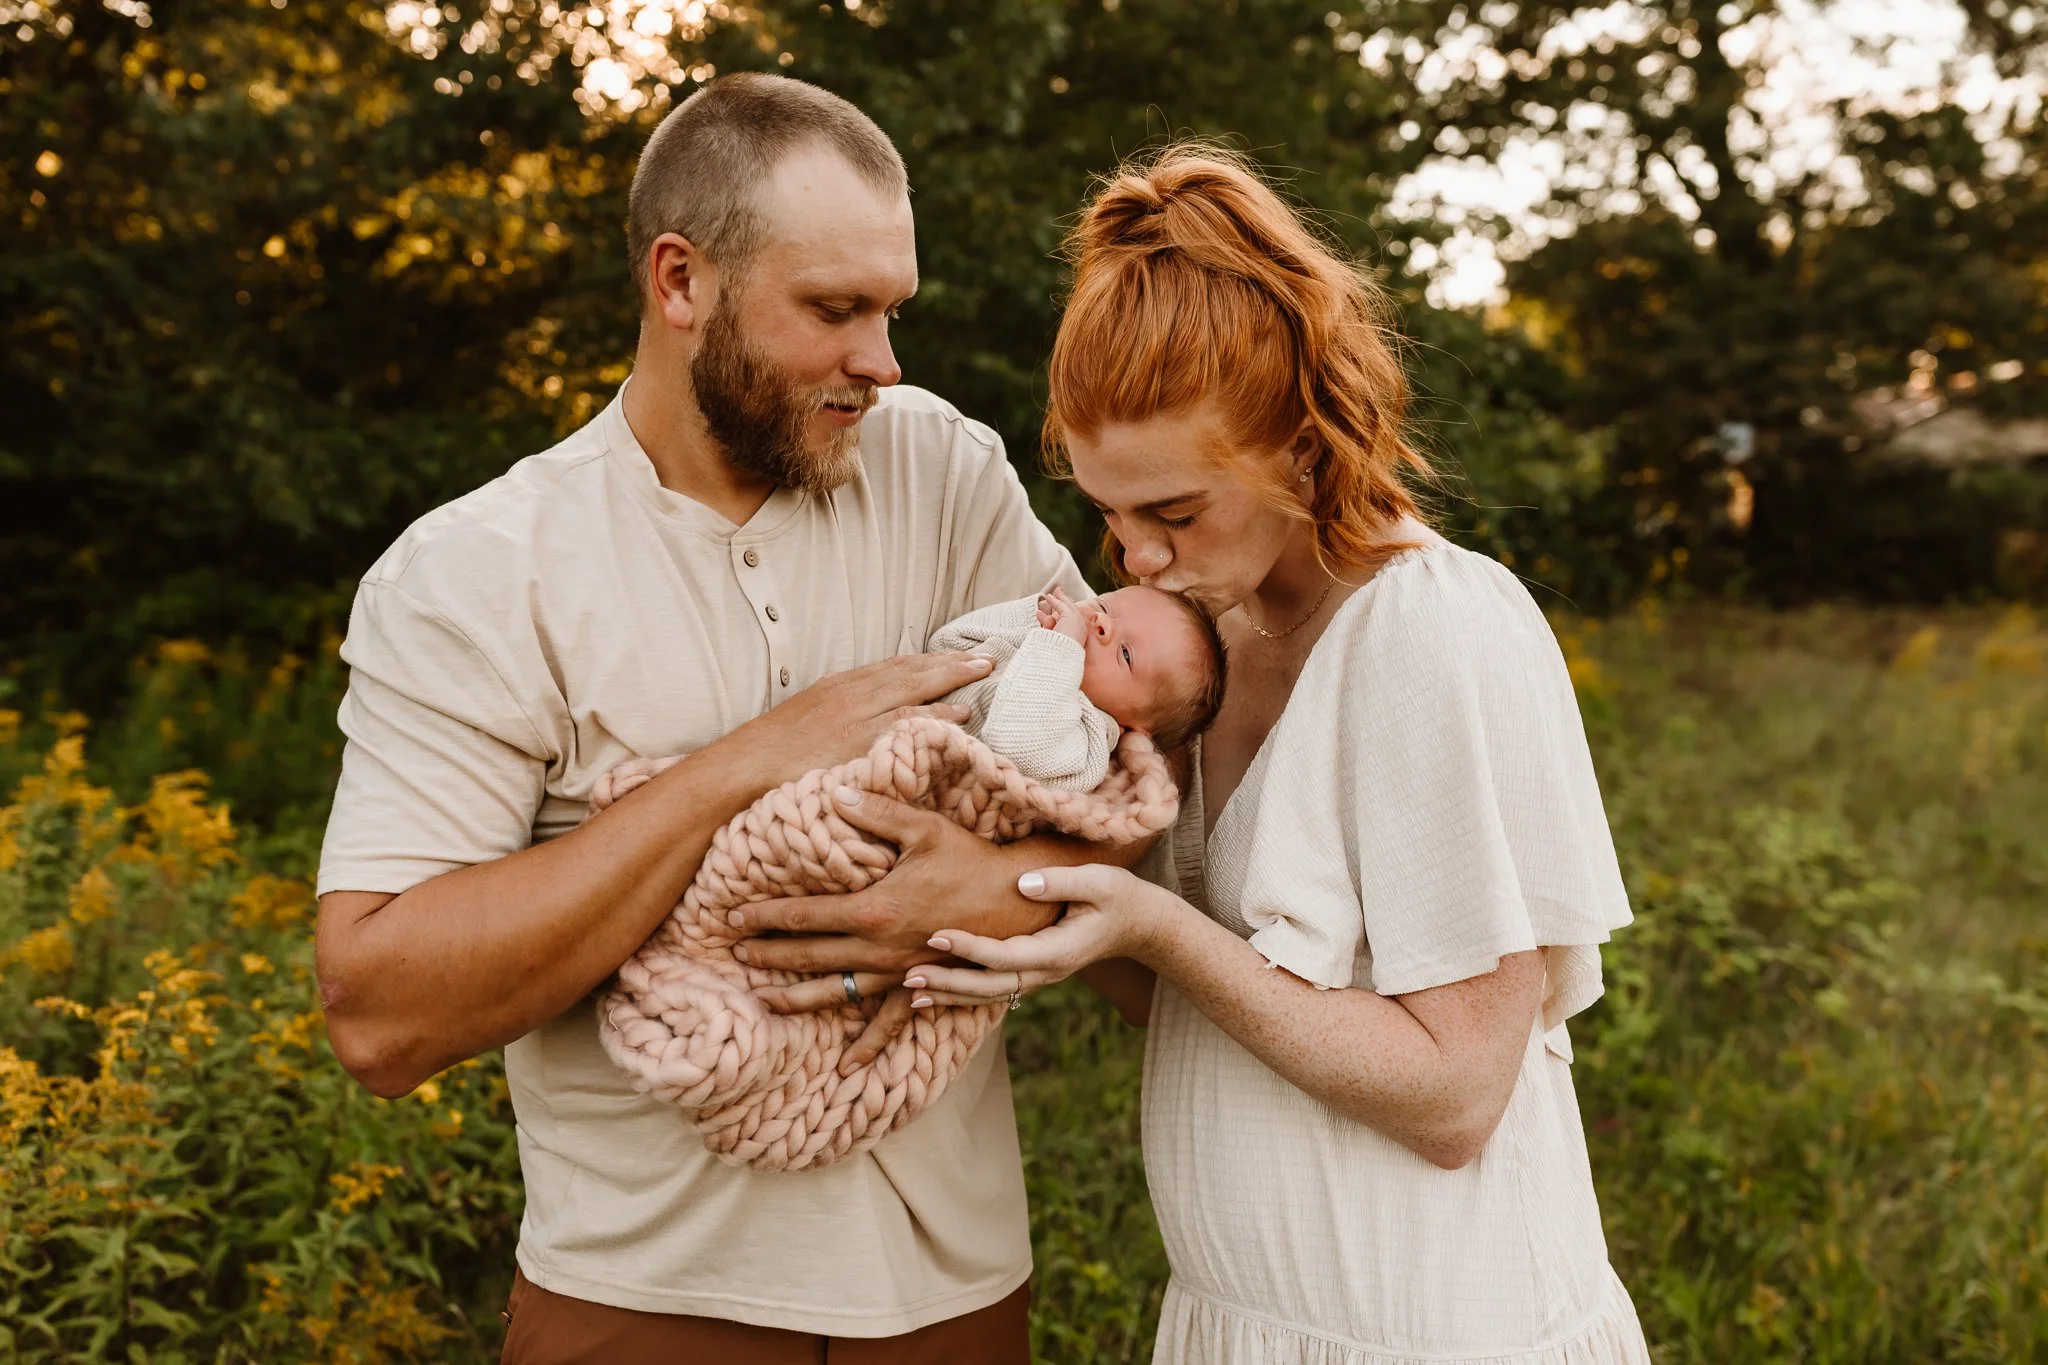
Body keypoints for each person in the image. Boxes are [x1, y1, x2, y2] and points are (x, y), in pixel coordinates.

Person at [743, 146, 1652, 1362]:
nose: (1138, 559)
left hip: (1432, 1324)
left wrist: (1141, 920)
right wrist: (983, 898)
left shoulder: (1428, 630)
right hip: (1237, 1324)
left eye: (1174, 513)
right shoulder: (1198, 642)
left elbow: (1454, 1096)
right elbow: (1179, 992)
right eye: (1109, 516)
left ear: (1302, 442)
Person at [312, 73, 1120, 1363]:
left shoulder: (943, 472)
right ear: (678, 282)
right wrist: (736, 774)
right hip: (641, 1300)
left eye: (892, 310)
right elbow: (377, 1009)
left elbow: (1121, 775)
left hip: (954, 1291)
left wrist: (982, 888)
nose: (882, 360)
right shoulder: (475, 573)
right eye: (833, 309)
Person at [931, 584, 1225, 792]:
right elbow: (945, 644)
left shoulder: (1090, 736)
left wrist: (1061, 646)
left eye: (1126, 654)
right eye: (1104, 606)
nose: (1102, 623)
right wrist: (1033, 615)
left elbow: (1012, 747)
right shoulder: (1030, 650)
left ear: (1135, 728)